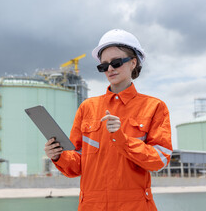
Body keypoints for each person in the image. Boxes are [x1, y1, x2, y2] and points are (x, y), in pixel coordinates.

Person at [44, 29, 172, 210]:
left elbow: (159, 159)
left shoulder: (154, 107)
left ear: (133, 63)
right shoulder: (88, 108)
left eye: (116, 63)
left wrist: (122, 139)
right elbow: (76, 166)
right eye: (104, 66)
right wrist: (58, 156)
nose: (110, 69)